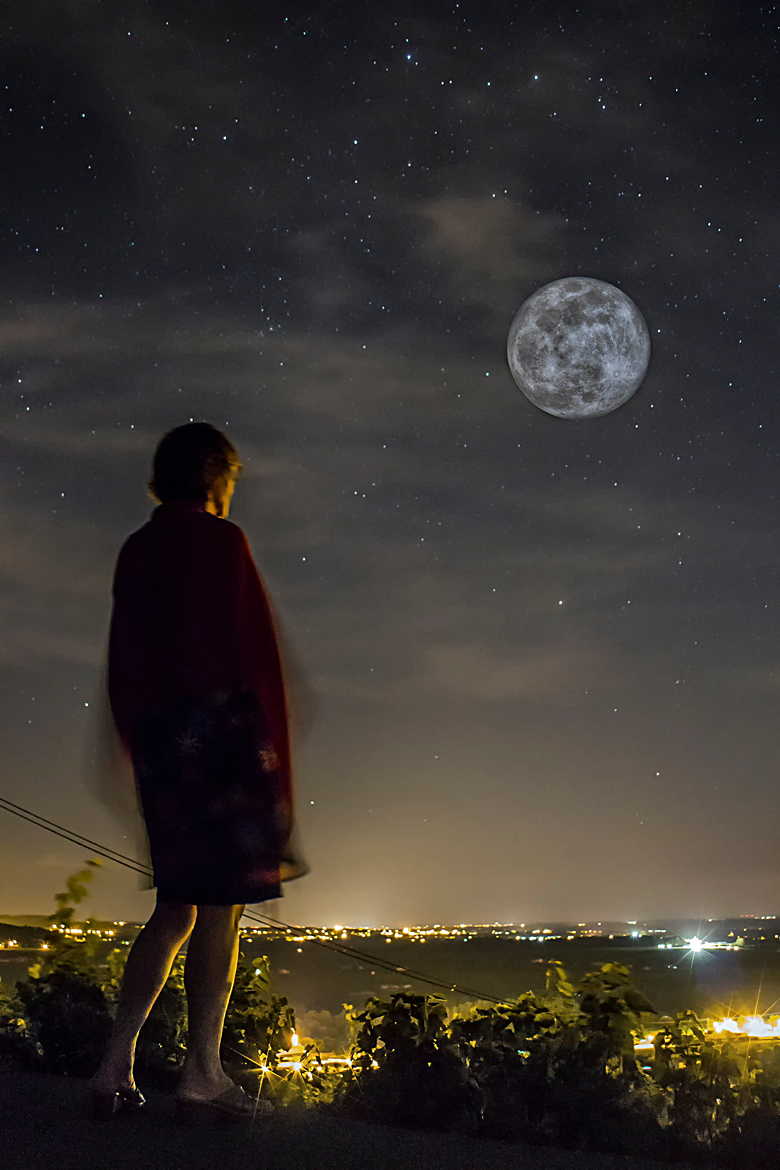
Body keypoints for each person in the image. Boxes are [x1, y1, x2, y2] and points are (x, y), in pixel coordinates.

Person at [88, 422, 310, 1123]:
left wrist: (137, 748)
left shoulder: (138, 549)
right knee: (220, 911)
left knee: (173, 906)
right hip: (223, 749)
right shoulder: (222, 542)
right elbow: (253, 658)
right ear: (214, 474)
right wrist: (273, 774)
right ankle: (203, 1074)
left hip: (163, 751)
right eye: (232, 477)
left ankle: (113, 1064)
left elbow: (126, 659)